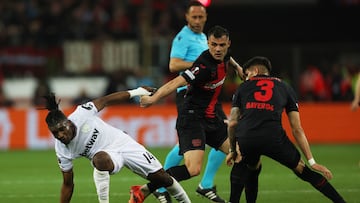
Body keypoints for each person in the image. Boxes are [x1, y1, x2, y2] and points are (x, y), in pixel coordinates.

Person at [140, 25, 247, 202]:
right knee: (193, 169)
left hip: (211, 117)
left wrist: (238, 67)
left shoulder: (225, 55)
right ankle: (148, 188)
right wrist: (153, 99)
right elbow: (175, 82)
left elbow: (230, 58)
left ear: (228, 44)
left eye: (222, 45)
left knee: (241, 156)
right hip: (192, 117)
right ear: (208, 44)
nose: (218, 49)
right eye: (214, 45)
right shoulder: (203, 66)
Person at [226, 56, 346, 203]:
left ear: (255, 70)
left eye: (247, 74)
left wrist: (233, 150)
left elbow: (232, 123)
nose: (245, 78)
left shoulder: (243, 87)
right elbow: (297, 129)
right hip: (274, 138)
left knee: (245, 164)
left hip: (247, 137)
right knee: (302, 169)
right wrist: (312, 161)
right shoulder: (285, 87)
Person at [42, 87, 191, 203]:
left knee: (163, 178)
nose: (60, 135)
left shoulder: (82, 114)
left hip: (123, 143)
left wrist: (137, 92)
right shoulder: (62, 150)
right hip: (108, 158)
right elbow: (68, 184)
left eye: (62, 129)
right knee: (99, 159)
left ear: (68, 123)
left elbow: (106, 100)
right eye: (55, 133)